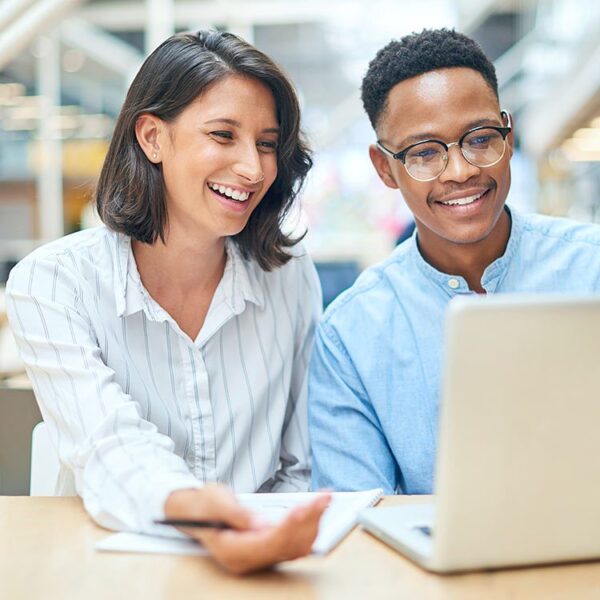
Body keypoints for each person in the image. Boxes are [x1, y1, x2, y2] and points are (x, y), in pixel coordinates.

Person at [6, 30, 329, 574]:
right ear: (152, 138)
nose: (253, 168)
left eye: (267, 143)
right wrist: (204, 521)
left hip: (269, 564)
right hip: (110, 569)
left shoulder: (289, 279)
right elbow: (109, 442)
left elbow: (300, 462)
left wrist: (273, 539)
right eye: (223, 135)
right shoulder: (52, 283)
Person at [309, 28, 600, 494]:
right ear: (385, 168)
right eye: (424, 153)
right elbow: (358, 519)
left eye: (480, 139)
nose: (462, 171)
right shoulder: (351, 336)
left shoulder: (593, 269)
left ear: (508, 130)